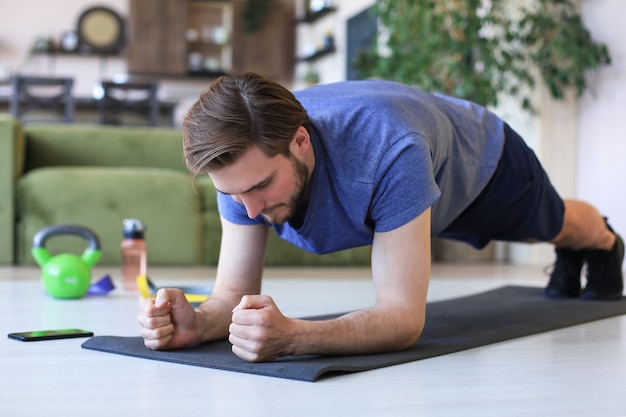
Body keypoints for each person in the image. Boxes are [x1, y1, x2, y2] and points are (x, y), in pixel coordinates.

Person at [138, 72, 624, 362]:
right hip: (412, 184)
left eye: (263, 186)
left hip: (483, 166)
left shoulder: (389, 150)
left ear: (300, 143)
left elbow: (402, 318)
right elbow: (231, 295)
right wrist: (198, 324)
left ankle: (602, 245)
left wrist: (296, 337)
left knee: (554, 222)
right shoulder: (242, 167)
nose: (250, 210)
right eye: (233, 194)